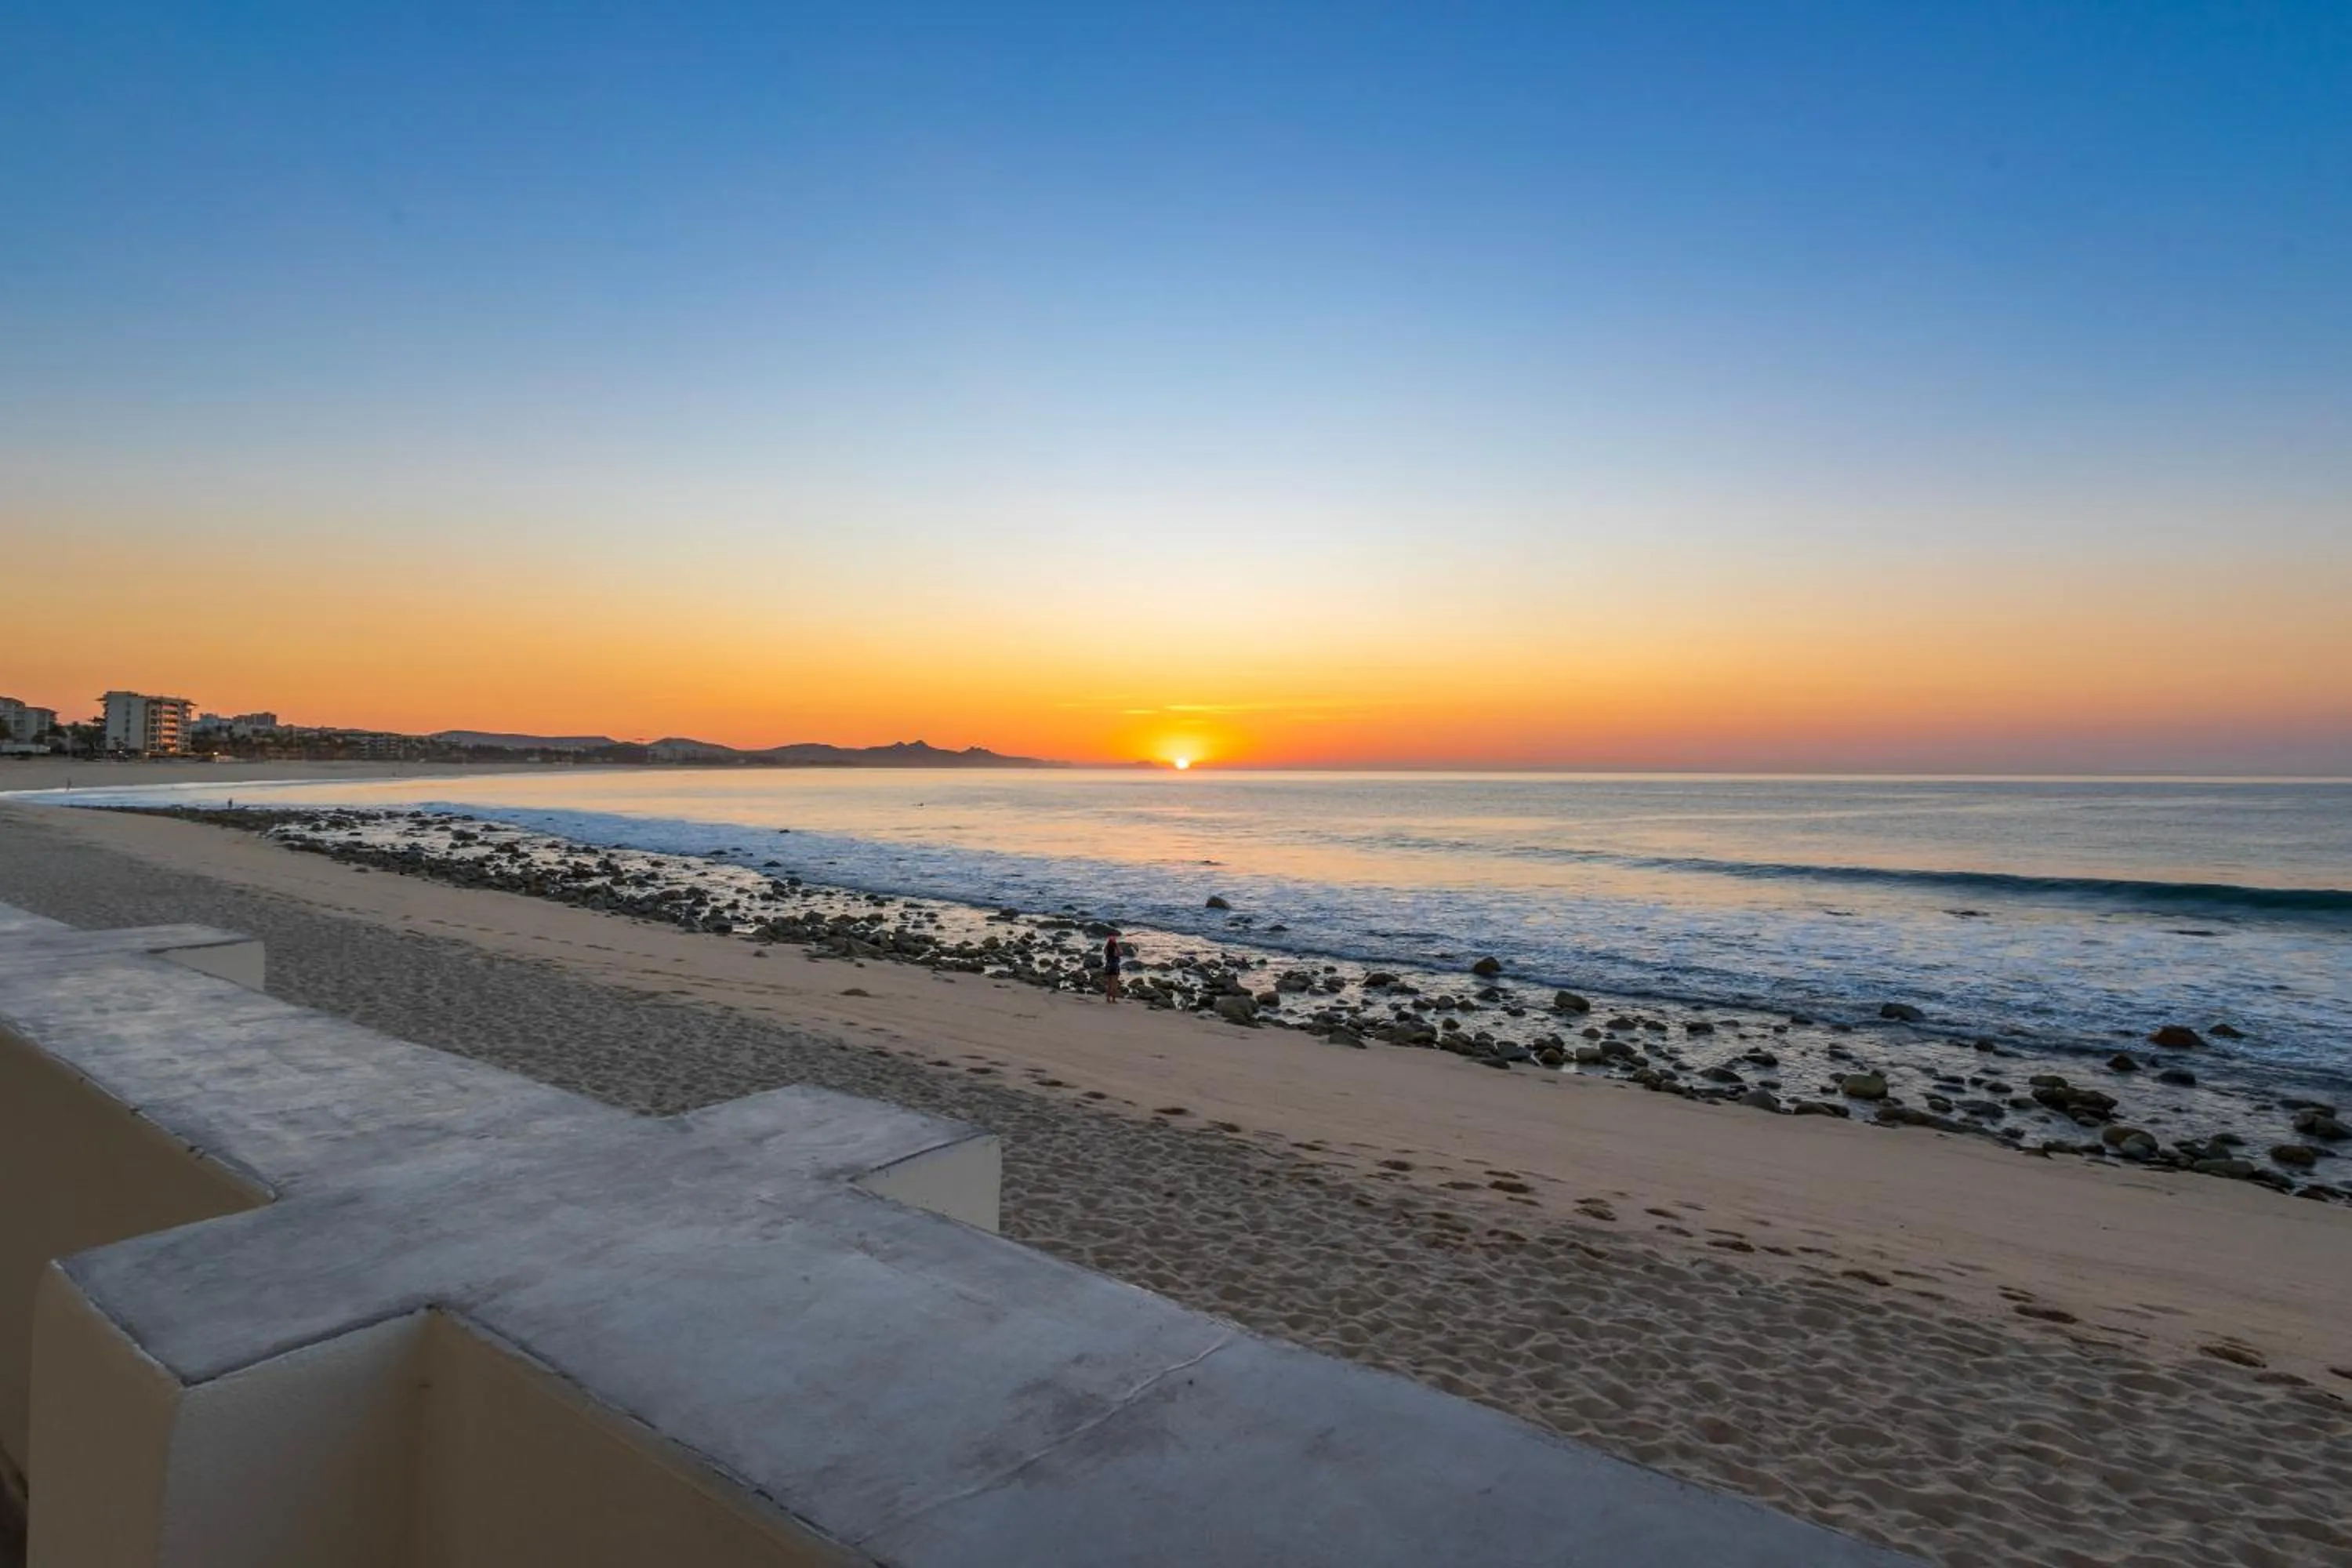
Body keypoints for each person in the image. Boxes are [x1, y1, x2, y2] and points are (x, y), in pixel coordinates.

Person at [1103, 931, 1123, 1003]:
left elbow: (1104, 951)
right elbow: (1120, 953)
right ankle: (1114, 999)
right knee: (1114, 984)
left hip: (1108, 965)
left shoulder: (1107, 948)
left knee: (1109, 983)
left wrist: (1109, 943)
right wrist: (1116, 944)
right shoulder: (1115, 948)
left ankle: (1108, 998)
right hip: (1115, 965)